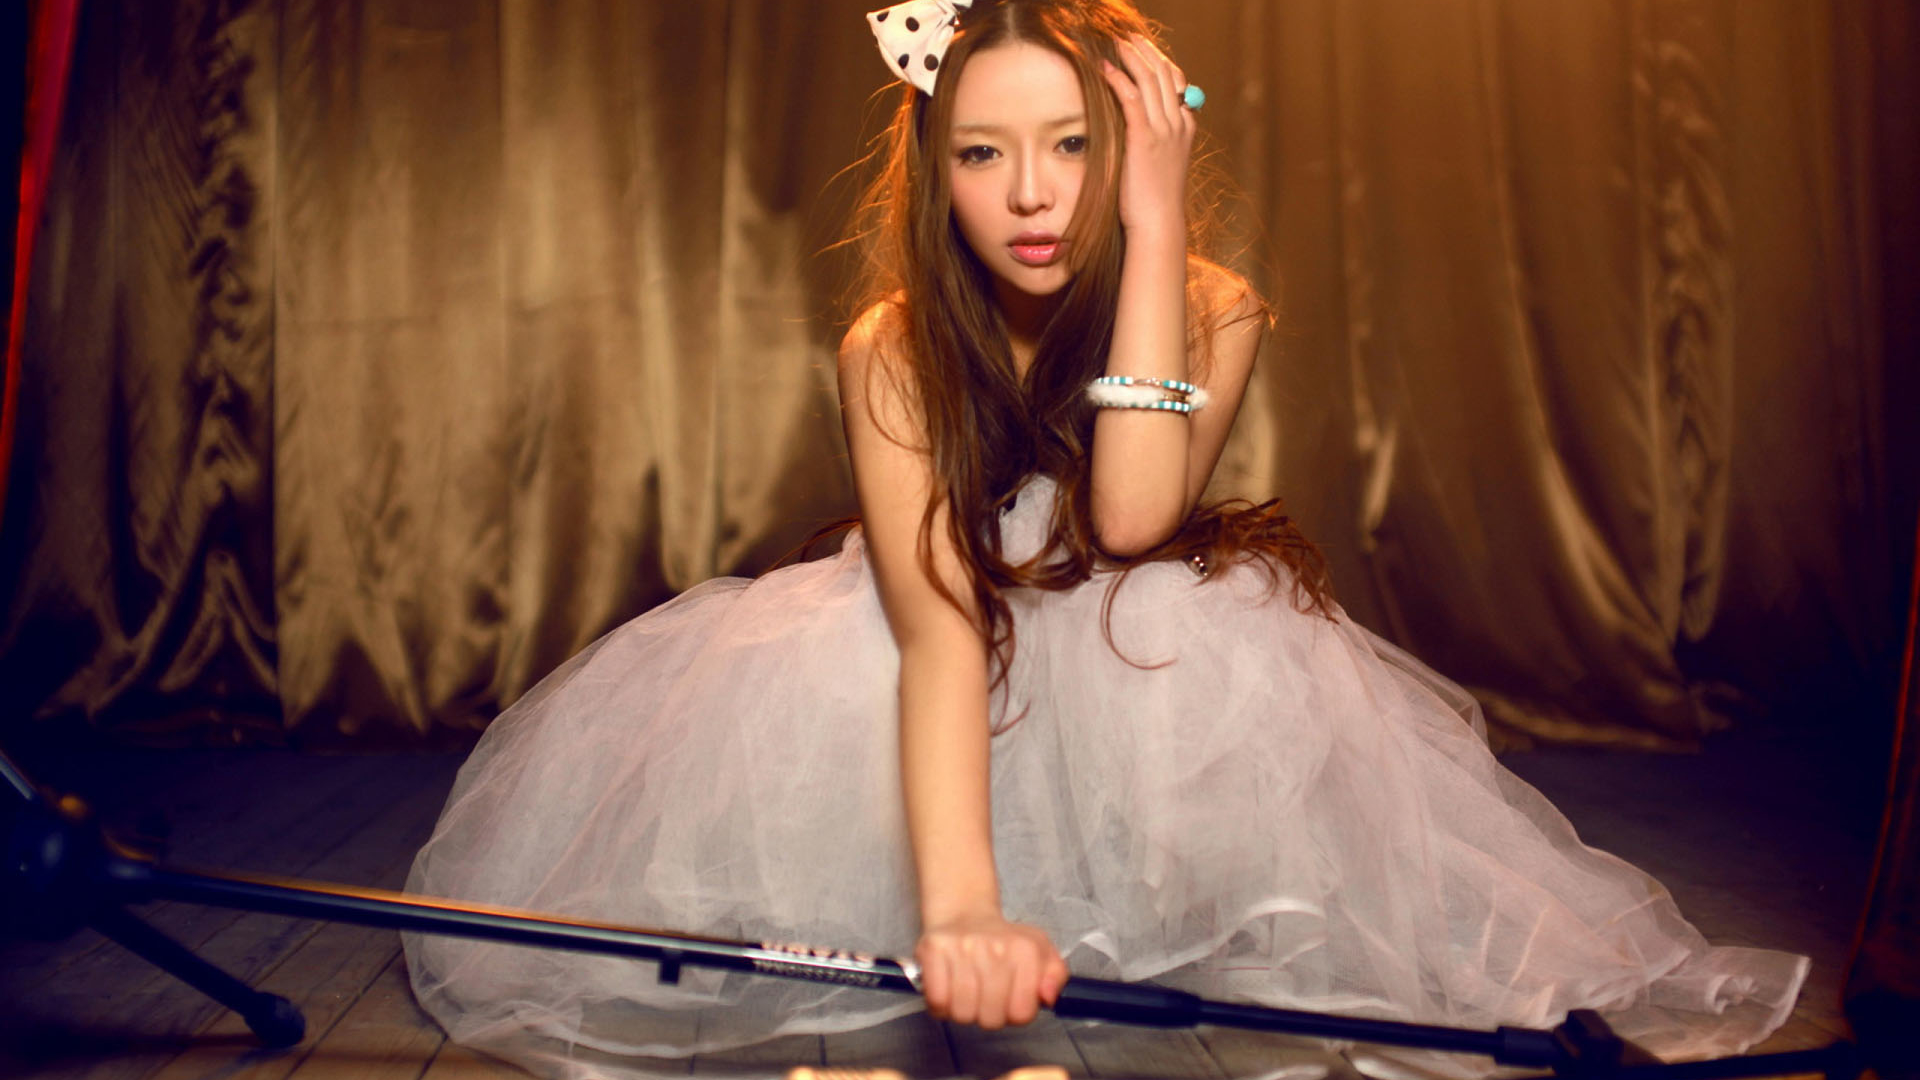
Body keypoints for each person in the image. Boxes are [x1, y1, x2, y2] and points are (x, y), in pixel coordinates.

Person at [403, 2, 1808, 1077]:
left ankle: (1127, 909)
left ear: (1133, 147)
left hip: (1133, 643)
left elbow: (1133, 518)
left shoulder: (1211, 304)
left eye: (1073, 144)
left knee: (1156, 620)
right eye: (984, 153)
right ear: (934, 171)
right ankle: (985, 913)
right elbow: (943, 629)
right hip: (940, 659)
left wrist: (1151, 222)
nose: (1032, 193)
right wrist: (962, 908)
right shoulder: (889, 347)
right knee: (895, 686)